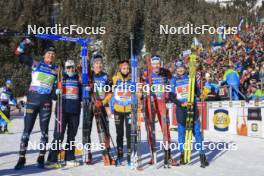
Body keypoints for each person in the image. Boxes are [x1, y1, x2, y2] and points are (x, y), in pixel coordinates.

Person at [14, 38, 58, 170]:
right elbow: (19, 55)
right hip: (32, 101)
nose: (50, 56)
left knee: (44, 132)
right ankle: (21, 158)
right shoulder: (36, 64)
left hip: (46, 103)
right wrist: (24, 42)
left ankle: (41, 157)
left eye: (53, 55)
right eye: (48, 54)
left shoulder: (56, 71)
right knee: (27, 131)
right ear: (44, 55)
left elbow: (55, 91)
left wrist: (57, 91)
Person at [169, 60, 209, 168]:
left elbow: (196, 91)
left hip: (193, 107)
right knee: (181, 133)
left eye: (181, 67)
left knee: (197, 132)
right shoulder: (173, 80)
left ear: (185, 68)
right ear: (176, 69)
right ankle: (183, 155)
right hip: (181, 109)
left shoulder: (191, 78)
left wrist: (200, 95)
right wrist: (181, 104)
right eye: (178, 68)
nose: (180, 70)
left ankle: (202, 156)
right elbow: (171, 97)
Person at [46, 60, 82, 168]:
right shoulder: (61, 78)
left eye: (72, 67)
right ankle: (52, 159)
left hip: (74, 111)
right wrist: (56, 92)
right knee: (58, 135)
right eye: (68, 67)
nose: (71, 69)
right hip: (62, 111)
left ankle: (69, 157)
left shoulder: (78, 79)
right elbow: (52, 96)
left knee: (72, 136)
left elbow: (80, 96)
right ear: (65, 68)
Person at [143, 55, 177, 166]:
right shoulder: (147, 74)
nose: (156, 66)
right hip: (151, 103)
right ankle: (153, 156)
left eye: (157, 63)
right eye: (154, 64)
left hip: (162, 103)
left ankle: (168, 156)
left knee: (165, 130)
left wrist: (168, 95)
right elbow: (142, 87)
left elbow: (171, 85)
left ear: (160, 64)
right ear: (151, 65)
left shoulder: (165, 74)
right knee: (150, 129)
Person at [85, 54, 114, 166]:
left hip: (100, 105)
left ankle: (105, 153)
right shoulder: (90, 74)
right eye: (96, 63)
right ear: (93, 65)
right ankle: (88, 154)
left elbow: (110, 92)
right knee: (87, 129)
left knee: (103, 130)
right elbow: (82, 69)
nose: (99, 65)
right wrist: (85, 59)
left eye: (100, 63)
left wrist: (103, 102)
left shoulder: (106, 76)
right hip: (89, 104)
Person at [111, 60, 132, 166]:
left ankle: (129, 155)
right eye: (124, 68)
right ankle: (120, 155)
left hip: (129, 110)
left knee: (129, 134)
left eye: (127, 68)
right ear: (120, 69)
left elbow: (136, 92)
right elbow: (110, 92)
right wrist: (108, 105)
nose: (126, 70)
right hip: (118, 110)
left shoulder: (132, 79)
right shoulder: (115, 79)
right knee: (119, 133)